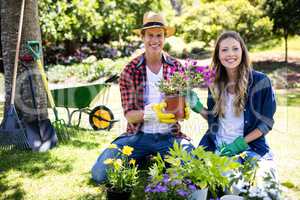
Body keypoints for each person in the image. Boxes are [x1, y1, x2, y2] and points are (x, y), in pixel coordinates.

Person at [91, 11, 194, 183]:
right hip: (137, 136)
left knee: (194, 169)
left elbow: (180, 103)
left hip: (169, 136)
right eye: (150, 35)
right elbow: (129, 114)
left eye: (159, 35)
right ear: (142, 37)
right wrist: (153, 113)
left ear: (165, 37)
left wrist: (184, 108)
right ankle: (144, 156)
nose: (155, 40)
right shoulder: (130, 70)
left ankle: (150, 158)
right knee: (100, 174)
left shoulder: (176, 67)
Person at [187, 31, 277, 177]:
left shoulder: (261, 82)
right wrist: (197, 107)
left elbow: (266, 123)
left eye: (235, 48)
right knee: (195, 183)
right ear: (218, 55)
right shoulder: (214, 82)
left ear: (242, 51)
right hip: (216, 146)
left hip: (250, 147)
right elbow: (215, 118)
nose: (230, 54)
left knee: (262, 182)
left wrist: (239, 144)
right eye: (224, 50)